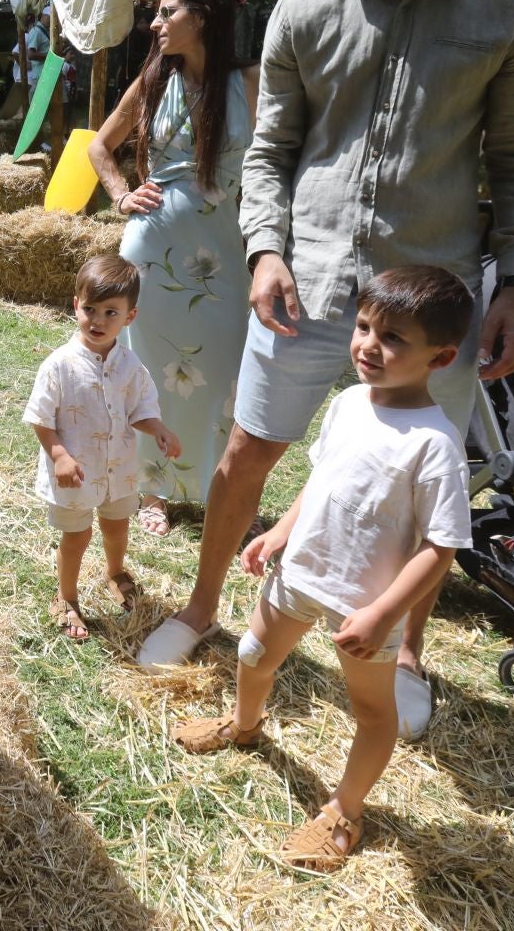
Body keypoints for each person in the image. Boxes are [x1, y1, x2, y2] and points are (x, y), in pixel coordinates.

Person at [136, 0, 514, 748]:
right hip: (305, 284)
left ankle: (406, 654)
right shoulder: (305, 4)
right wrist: (265, 248)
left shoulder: (513, 5)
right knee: (246, 455)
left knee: (418, 483)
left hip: (430, 296)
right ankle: (205, 606)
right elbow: (269, 150)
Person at [170, 267, 474, 871]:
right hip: (300, 574)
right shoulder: (348, 402)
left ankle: (345, 810)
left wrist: (384, 613)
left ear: (441, 357)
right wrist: (279, 532)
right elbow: (322, 478)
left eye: (393, 339)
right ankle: (244, 723)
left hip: (365, 604)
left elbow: (441, 547)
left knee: (371, 711)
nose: (368, 345)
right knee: (254, 657)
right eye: (364, 327)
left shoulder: (434, 444)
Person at [87, 0, 259, 539]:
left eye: (165, 13)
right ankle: (153, 488)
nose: (154, 25)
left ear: (203, 17)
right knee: (151, 370)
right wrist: (118, 193)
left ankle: (221, 486)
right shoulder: (153, 81)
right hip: (152, 246)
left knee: (225, 368)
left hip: (224, 255)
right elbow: (98, 145)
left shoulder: (251, 83)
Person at [23, 255, 181, 641]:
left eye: (111, 312)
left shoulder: (131, 365)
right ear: (75, 305)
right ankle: (67, 596)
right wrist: (59, 455)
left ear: (130, 317)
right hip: (75, 473)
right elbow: (40, 417)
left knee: (116, 526)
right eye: (90, 309)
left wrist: (157, 426)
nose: (98, 320)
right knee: (76, 536)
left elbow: (139, 410)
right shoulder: (59, 365)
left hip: (119, 471)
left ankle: (115, 571)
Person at [0, 9, 49, 118]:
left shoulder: (36, 34)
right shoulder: (27, 36)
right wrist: (25, 65)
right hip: (26, 76)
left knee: (26, 102)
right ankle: (16, 120)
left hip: (30, 75)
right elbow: (15, 53)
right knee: (25, 103)